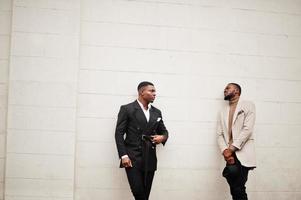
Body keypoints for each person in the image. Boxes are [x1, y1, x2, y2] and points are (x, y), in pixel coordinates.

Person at [115, 81, 168, 200]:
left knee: (145, 193)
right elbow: (119, 134)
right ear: (141, 92)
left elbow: (164, 132)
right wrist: (123, 155)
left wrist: (162, 137)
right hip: (132, 157)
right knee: (138, 192)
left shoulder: (156, 112)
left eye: (155, 91)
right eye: (151, 91)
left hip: (150, 156)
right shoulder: (127, 109)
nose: (155, 94)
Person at [217, 83, 256, 200]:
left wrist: (232, 148)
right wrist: (225, 151)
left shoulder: (248, 105)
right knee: (234, 189)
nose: (225, 90)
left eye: (228, 88)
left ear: (237, 91)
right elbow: (219, 134)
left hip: (242, 152)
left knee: (238, 187)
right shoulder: (223, 111)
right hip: (228, 153)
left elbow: (247, 129)